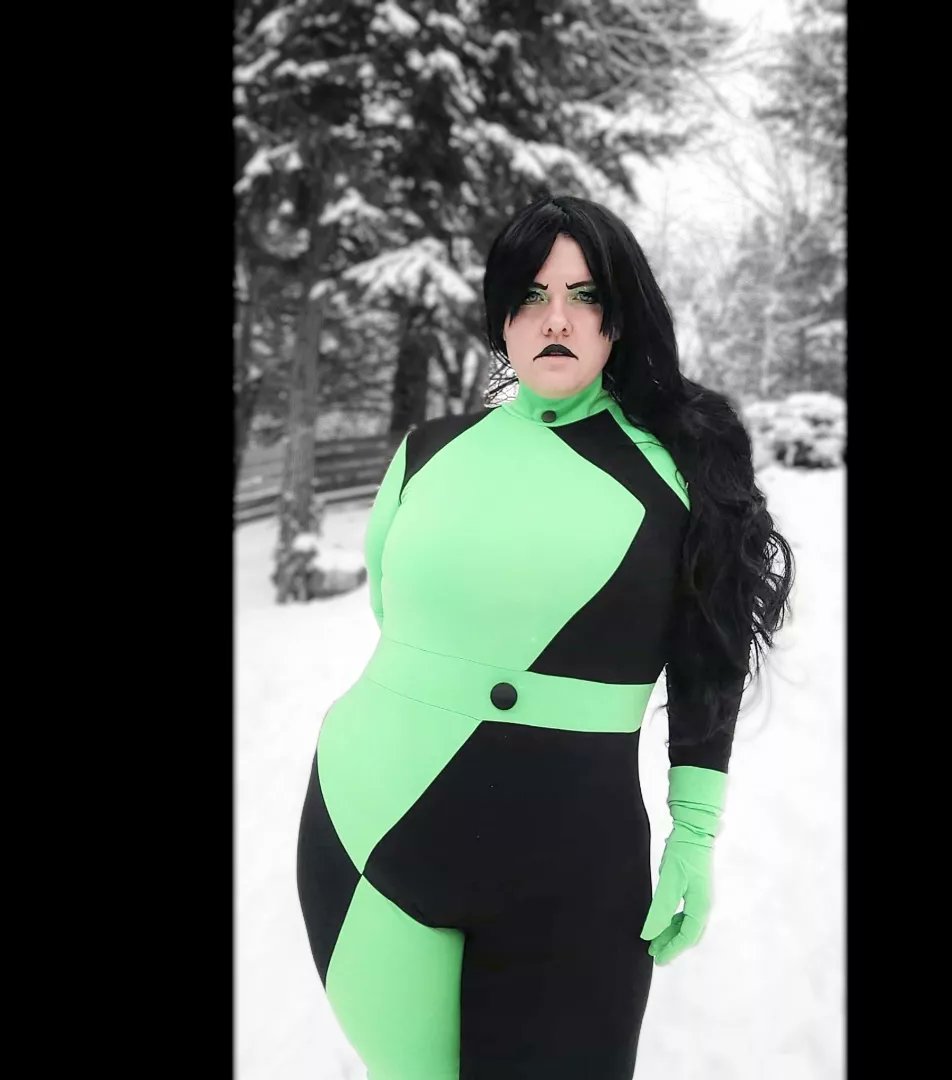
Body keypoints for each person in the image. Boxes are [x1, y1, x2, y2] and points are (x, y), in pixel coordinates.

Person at [296, 193, 794, 1080]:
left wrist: (693, 833)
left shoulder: (683, 468)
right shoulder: (426, 452)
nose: (555, 319)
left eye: (584, 294)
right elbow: (400, 621)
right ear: (502, 317)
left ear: (619, 316)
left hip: (573, 871)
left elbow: (709, 660)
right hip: (367, 832)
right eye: (530, 295)